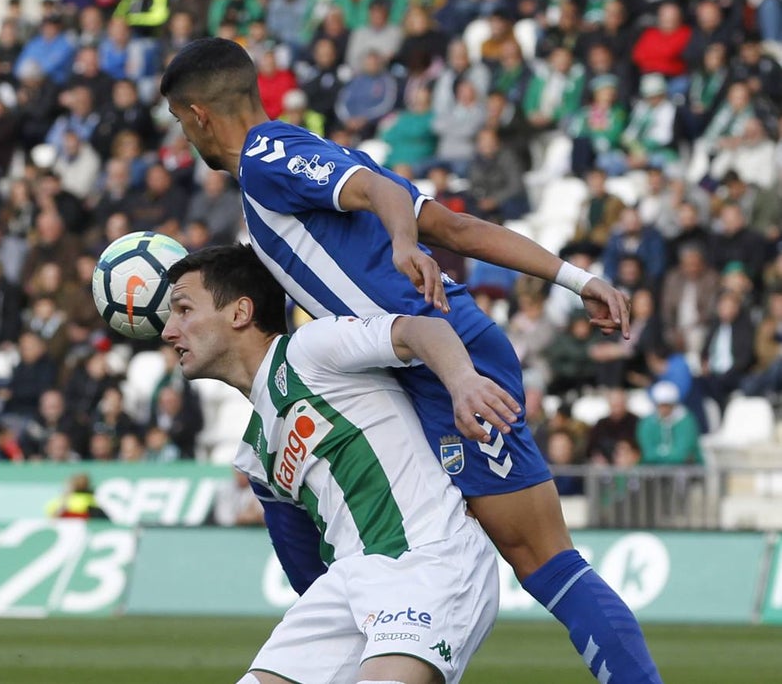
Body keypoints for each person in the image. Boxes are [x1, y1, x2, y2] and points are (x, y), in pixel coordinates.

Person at [160, 37, 660, 683]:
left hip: (443, 357)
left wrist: (402, 244)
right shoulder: (302, 163)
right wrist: (575, 278)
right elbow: (455, 228)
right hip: (413, 360)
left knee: (543, 559)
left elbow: (378, 193)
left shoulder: (265, 158)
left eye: (178, 120)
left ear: (198, 114)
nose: (183, 135)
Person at [162, 245, 501, 684]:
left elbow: (423, 330)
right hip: (346, 581)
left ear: (240, 312)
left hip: (428, 556)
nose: (168, 331)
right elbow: (304, 567)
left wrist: (463, 382)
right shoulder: (255, 450)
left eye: (184, 310)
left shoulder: (309, 349)